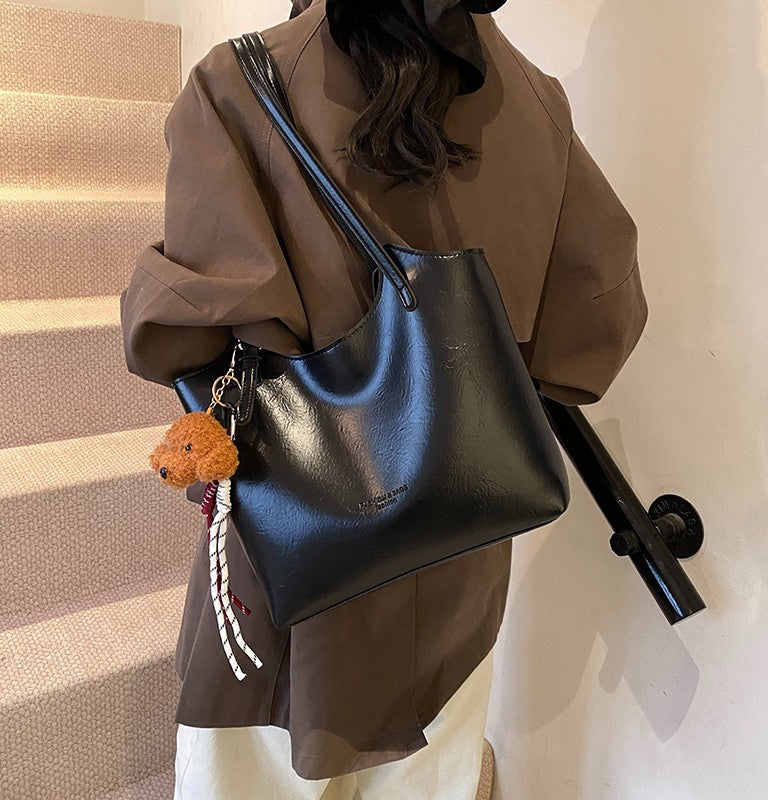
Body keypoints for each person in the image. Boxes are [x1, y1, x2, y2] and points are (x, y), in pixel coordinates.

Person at [119, 0, 649, 797]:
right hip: (459, 537)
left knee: (258, 772)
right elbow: (594, 327)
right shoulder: (537, 101)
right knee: (430, 767)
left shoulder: (239, 82)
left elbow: (185, 329)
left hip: (298, 543)